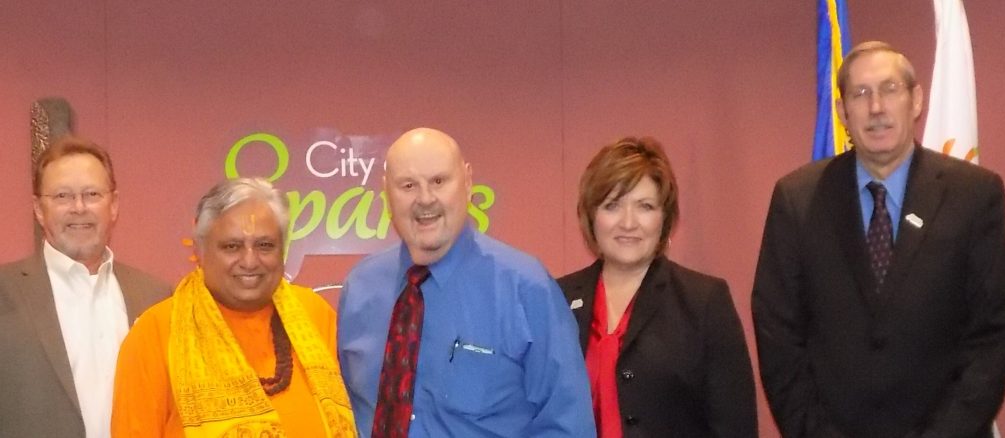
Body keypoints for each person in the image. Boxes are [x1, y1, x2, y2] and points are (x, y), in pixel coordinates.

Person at [752, 41, 1005, 438]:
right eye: (860, 94)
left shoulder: (974, 195)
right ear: (842, 112)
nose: (876, 107)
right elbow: (778, 334)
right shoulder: (798, 199)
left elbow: (993, 332)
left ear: (916, 100)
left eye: (889, 89)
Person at [338, 127, 595, 437]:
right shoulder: (359, 289)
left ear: (468, 181)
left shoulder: (527, 289)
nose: (425, 199)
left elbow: (568, 426)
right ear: (386, 192)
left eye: (438, 181)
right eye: (408, 185)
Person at [111, 178, 357, 437]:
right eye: (232, 246)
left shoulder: (313, 314)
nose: (249, 261)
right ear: (200, 249)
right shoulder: (156, 334)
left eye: (265, 245)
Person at [558, 137, 757, 437]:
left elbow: (735, 427)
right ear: (591, 215)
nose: (628, 223)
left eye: (645, 206)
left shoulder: (703, 302)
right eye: (612, 205)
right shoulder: (557, 300)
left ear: (664, 218)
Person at [0, 136, 169, 438]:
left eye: (92, 194)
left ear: (113, 205)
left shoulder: (157, 298)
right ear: (38, 209)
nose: (79, 207)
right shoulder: (5, 292)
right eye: (62, 196)